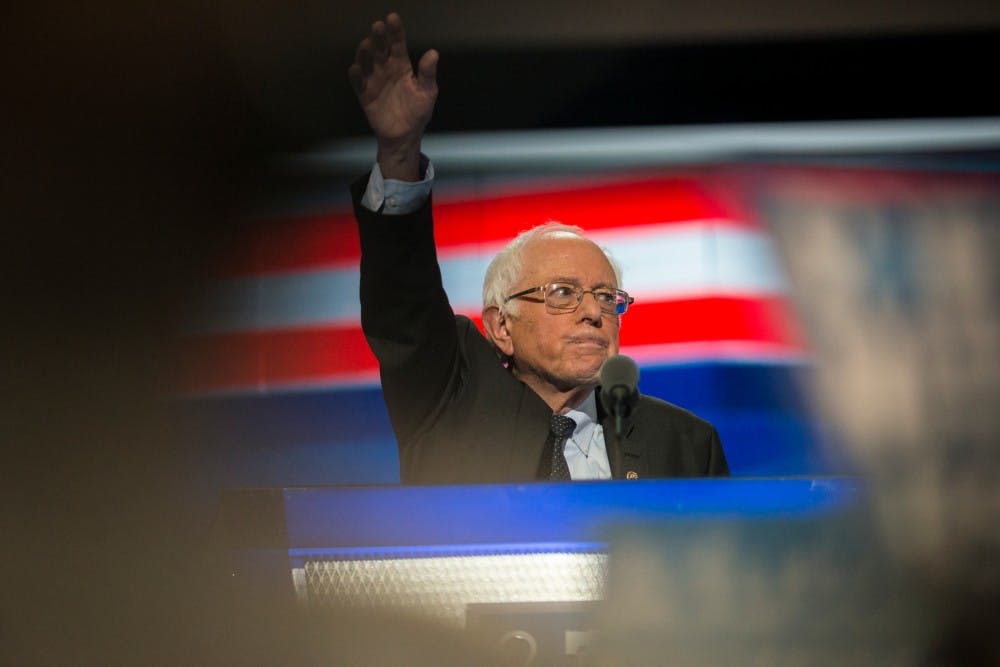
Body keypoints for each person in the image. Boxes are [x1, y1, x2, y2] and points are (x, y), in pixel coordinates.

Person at [349, 13, 728, 484]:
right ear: (501, 327)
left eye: (607, 297)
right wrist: (399, 153)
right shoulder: (449, 400)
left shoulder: (685, 445)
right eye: (563, 293)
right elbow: (402, 304)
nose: (594, 313)